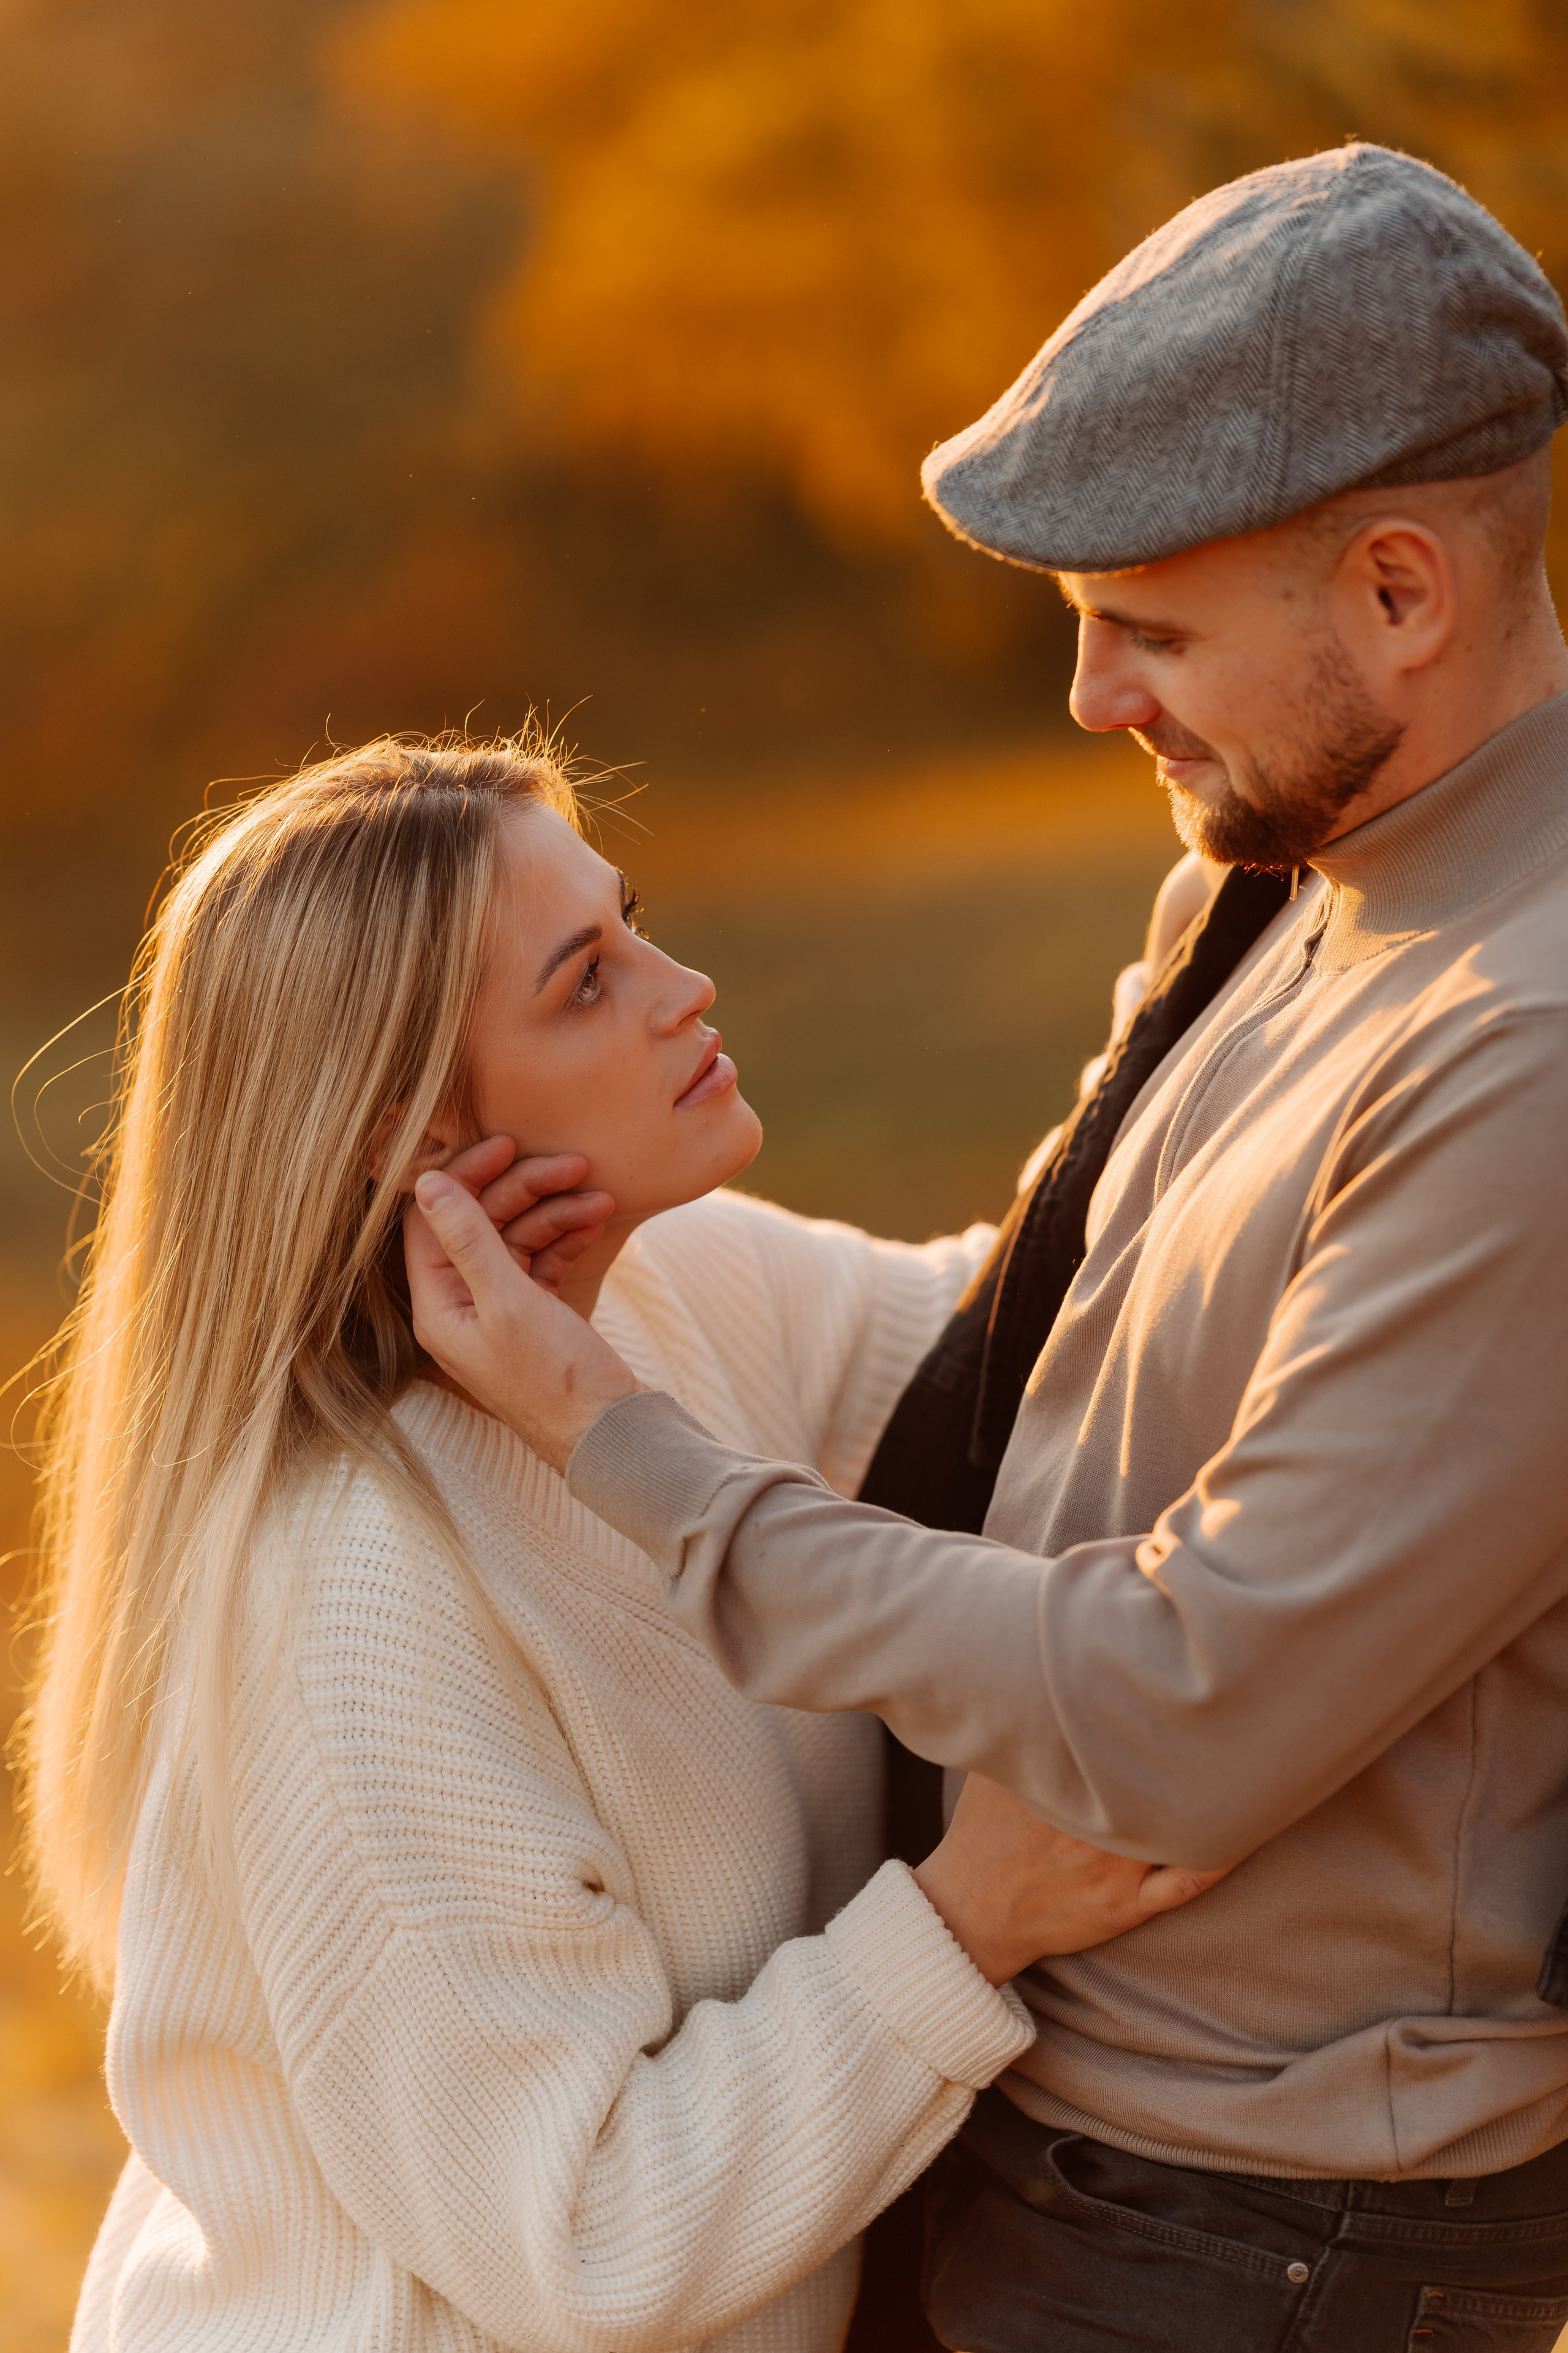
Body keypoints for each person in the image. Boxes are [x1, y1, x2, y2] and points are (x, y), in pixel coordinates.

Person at [402, 146, 1568, 2349]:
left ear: (1404, 594)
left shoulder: (1532, 1051)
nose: (1092, 701)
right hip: (1049, 2138)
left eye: (1150, 629)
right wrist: (618, 1249)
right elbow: (1051, 1334)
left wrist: (623, 1443)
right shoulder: (1281, 875)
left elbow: (1184, 1704)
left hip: (1266, 2247)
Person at [26, 736, 1223, 2353]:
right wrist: (971, 1917)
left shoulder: (666, 1296)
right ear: (406, 1137)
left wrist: (1223, 938)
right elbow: (585, 2235)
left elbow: (1016, 1337)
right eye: (589, 979)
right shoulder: (351, 1594)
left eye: (633, 923)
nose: (685, 984)